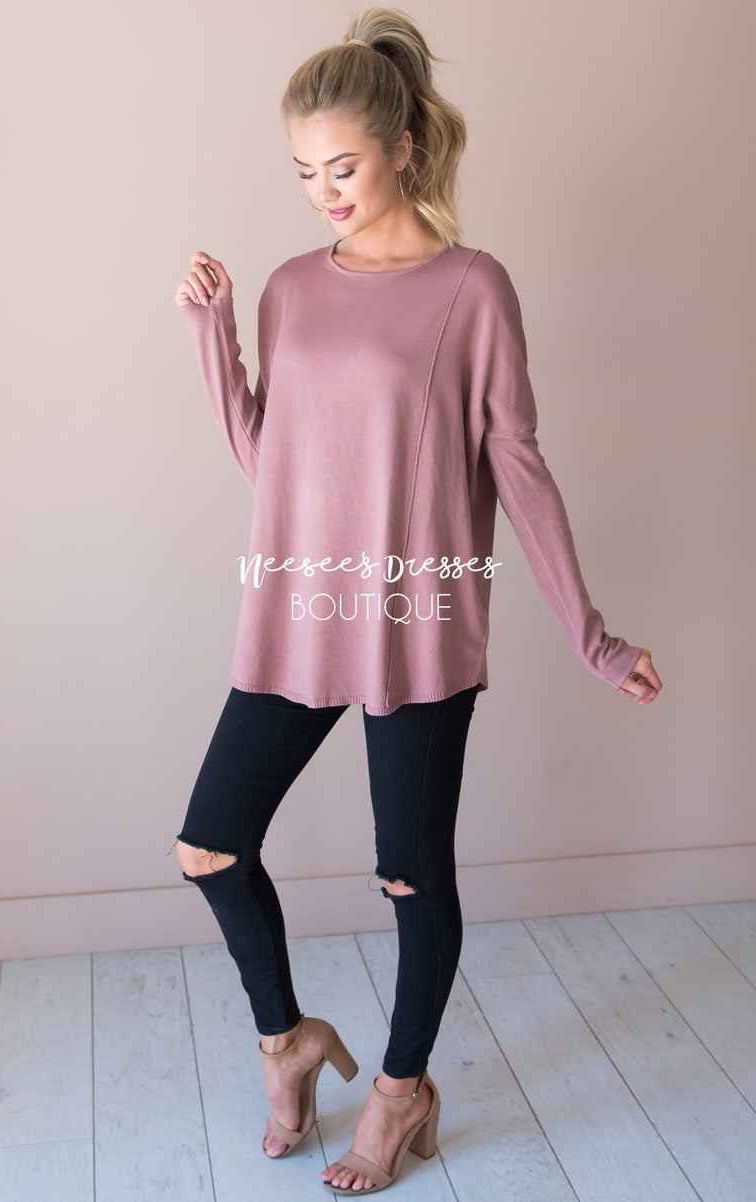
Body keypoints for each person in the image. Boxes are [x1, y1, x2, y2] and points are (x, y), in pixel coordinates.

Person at [169, 7, 662, 1194]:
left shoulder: (472, 288)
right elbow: (272, 466)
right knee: (209, 845)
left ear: (399, 145)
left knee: (410, 876)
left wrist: (594, 640)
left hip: (418, 625)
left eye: (341, 166)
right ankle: (287, 1039)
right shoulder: (290, 288)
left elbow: (519, 469)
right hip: (298, 610)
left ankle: (400, 1087)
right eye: (303, 173)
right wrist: (212, 334)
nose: (323, 193)